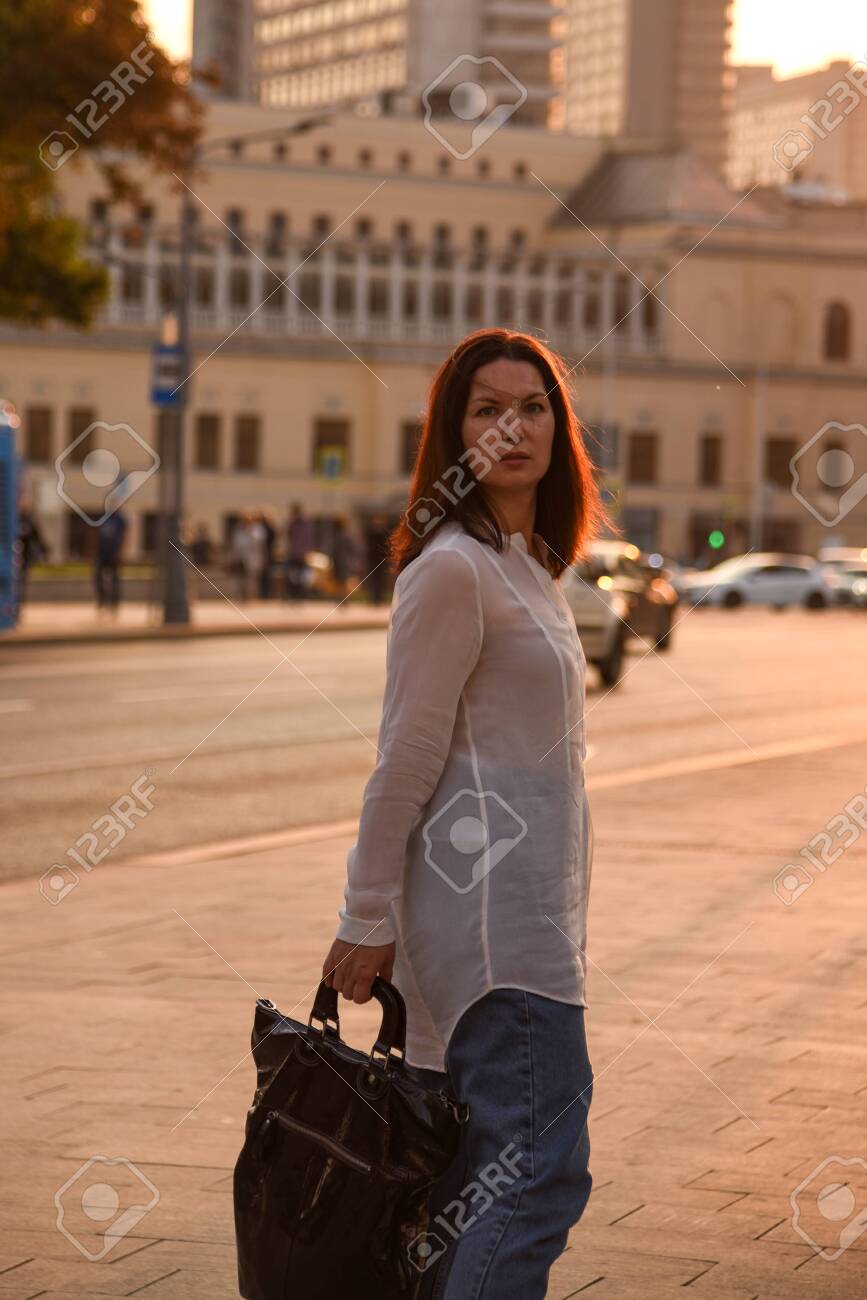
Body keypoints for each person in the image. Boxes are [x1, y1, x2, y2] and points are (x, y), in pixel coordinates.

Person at [322, 329, 604, 1299]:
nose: (511, 428)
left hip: (525, 922)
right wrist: (366, 913)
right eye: (486, 410)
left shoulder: (528, 566)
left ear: (558, 430)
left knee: (475, 1181)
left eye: (531, 408)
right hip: (492, 935)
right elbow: (405, 756)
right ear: (453, 435)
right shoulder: (453, 568)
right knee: (535, 1173)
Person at [94, 509, 128, 614]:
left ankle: (114, 603)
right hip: (101, 553)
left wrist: (121, 552)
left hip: (114, 553)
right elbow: (96, 534)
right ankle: (102, 600)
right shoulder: (102, 517)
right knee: (97, 577)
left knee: (115, 580)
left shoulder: (120, 519)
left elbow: (125, 535)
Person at [15, 504, 48, 608]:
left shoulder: (29, 522)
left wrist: (44, 551)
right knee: (17, 580)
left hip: (24, 556)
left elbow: (37, 538)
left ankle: (18, 602)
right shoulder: (12, 520)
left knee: (21, 580)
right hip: (14, 556)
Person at [231, 512, 267, 603]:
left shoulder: (257, 531)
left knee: (252, 579)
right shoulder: (238, 532)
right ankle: (242, 596)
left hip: (253, 558)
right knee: (241, 579)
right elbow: (236, 546)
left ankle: (251, 597)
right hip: (241, 558)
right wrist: (235, 557)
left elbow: (259, 544)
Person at [285, 503, 313, 601]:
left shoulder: (305, 524)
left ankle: (301, 596)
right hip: (294, 553)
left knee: (302, 577)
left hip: (302, 554)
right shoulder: (292, 524)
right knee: (293, 576)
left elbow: (309, 539)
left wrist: (308, 552)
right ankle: (293, 595)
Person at [364, 512, 391, 604]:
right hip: (372, 558)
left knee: (381, 579)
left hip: (381, 559)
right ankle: (372, 597)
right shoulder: (370, 532)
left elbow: (387, 545)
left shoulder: (384, 532)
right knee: (372, 578)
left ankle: (380, 598)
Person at [329, 514, 358, 600]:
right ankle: (342, 597)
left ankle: (341, 597)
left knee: (341, 580)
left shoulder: (337, 535)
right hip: (343, 560)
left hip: (340, 560)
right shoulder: (344, 535)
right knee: (341, 579)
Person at [259, 507, 277, 599]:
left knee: (268, 575)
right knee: (260, 575)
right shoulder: (259, 528)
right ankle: (262, 594)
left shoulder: (271, 528)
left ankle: (267, 595)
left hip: (268, 554)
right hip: (259, 554)